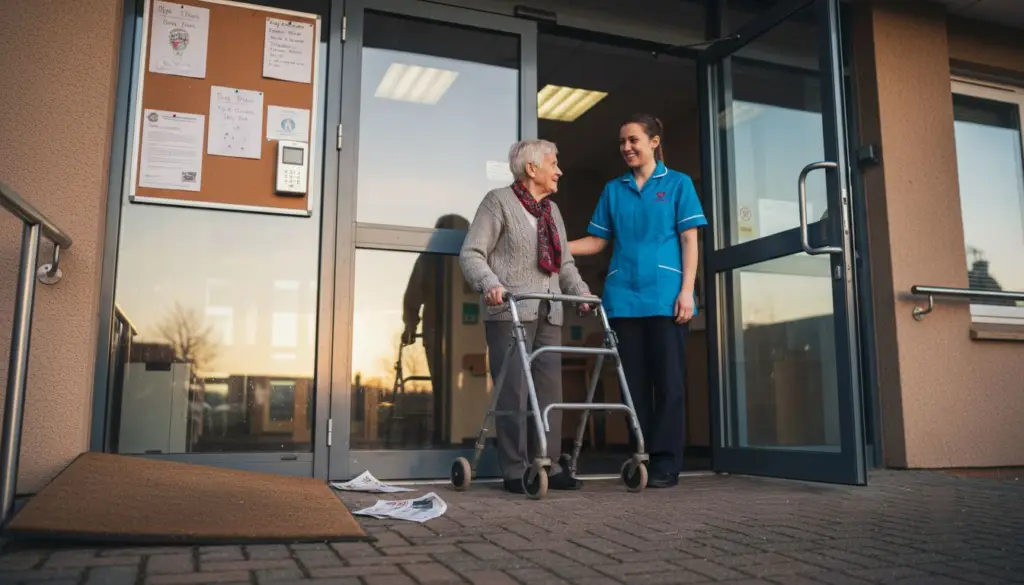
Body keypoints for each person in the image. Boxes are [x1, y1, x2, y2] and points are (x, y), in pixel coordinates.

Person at [569, 113, 707, 489]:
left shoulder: (677, 184)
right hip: (623, 300)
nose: (626, 148)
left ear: (654, 142)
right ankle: (640, 455)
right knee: (632, 385)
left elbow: (689, 240)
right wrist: (556, 247)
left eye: (633, 140)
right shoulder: (614, 189)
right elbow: (597, 242)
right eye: (622, 142)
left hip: (665, 297)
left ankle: (665, 463)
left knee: (669, 383)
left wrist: (686, 291)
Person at [459, 139, 593, 493]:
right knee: (514, 393)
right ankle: (516, 469)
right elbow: (472, 253)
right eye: (554, 163)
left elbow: (564, 264)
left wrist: (579, 292)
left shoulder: (553, 212)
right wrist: (489, 283)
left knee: (550, 393)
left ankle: (546, 464)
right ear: (532, 168)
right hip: (511, 312)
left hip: (549, 311)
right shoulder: (498, 202)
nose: (559, 170)